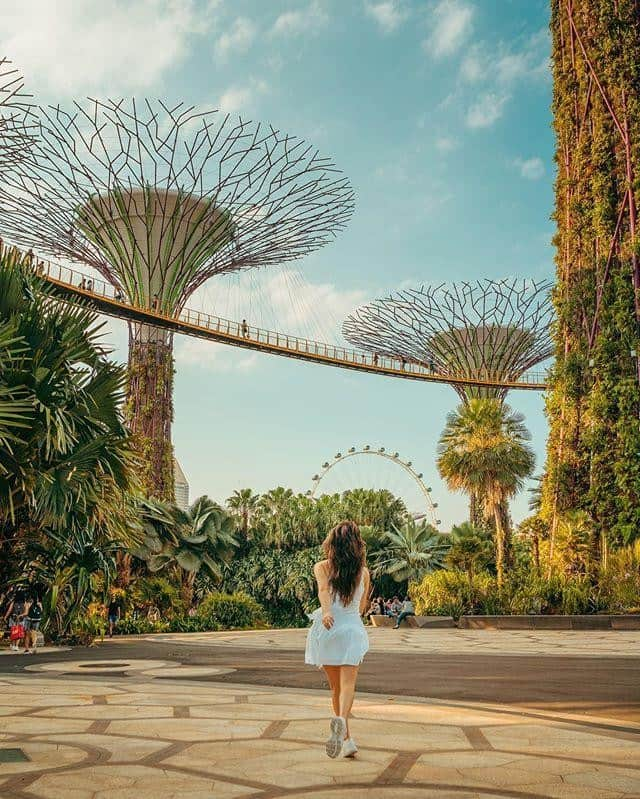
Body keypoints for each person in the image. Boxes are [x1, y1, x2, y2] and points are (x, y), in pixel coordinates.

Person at [305, 520, 370, 759]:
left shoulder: (321, 567)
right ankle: (342, 723)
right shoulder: (364, 573)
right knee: (348, 685)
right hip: (352, 630)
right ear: (357, 545)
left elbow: (323, 591)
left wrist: (327, 612)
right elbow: (361, 607)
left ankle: (347, 739)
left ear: (331, 543)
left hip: (329, 629)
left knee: (335, 688)